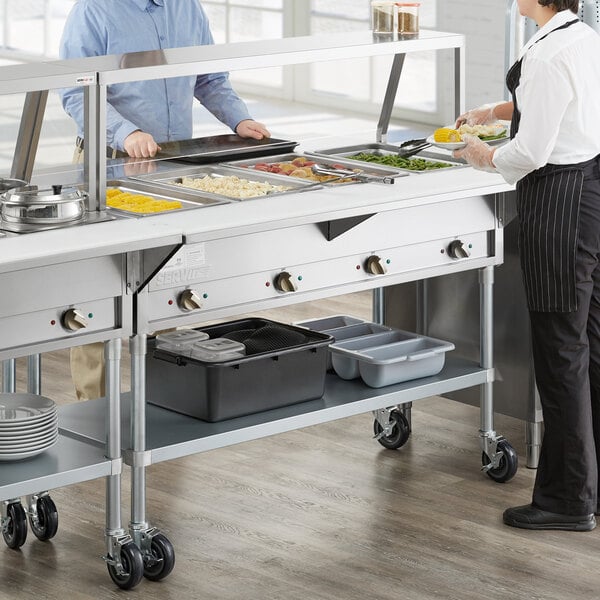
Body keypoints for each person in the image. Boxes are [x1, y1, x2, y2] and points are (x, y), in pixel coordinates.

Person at [58, 0, 271, 400]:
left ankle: (160, 397)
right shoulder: (94, 10)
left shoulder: (187, 8)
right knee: (96, 291)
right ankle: (94, 408)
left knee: (167, 283)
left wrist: (238, 119)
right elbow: (75, 92)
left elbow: (209, 79)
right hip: (107, 162)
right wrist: (125, 132)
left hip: (172, 165)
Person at [454, 0, 600, 531]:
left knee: (561, 352)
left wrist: (482, 155)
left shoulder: (547, 53)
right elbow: (558, 109)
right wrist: (494, 113)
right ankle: (591, 486)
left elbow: (532, 150)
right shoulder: (583, 37)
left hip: (558, 201)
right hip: (590, 195)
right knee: (589, 346)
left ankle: (566, 500)